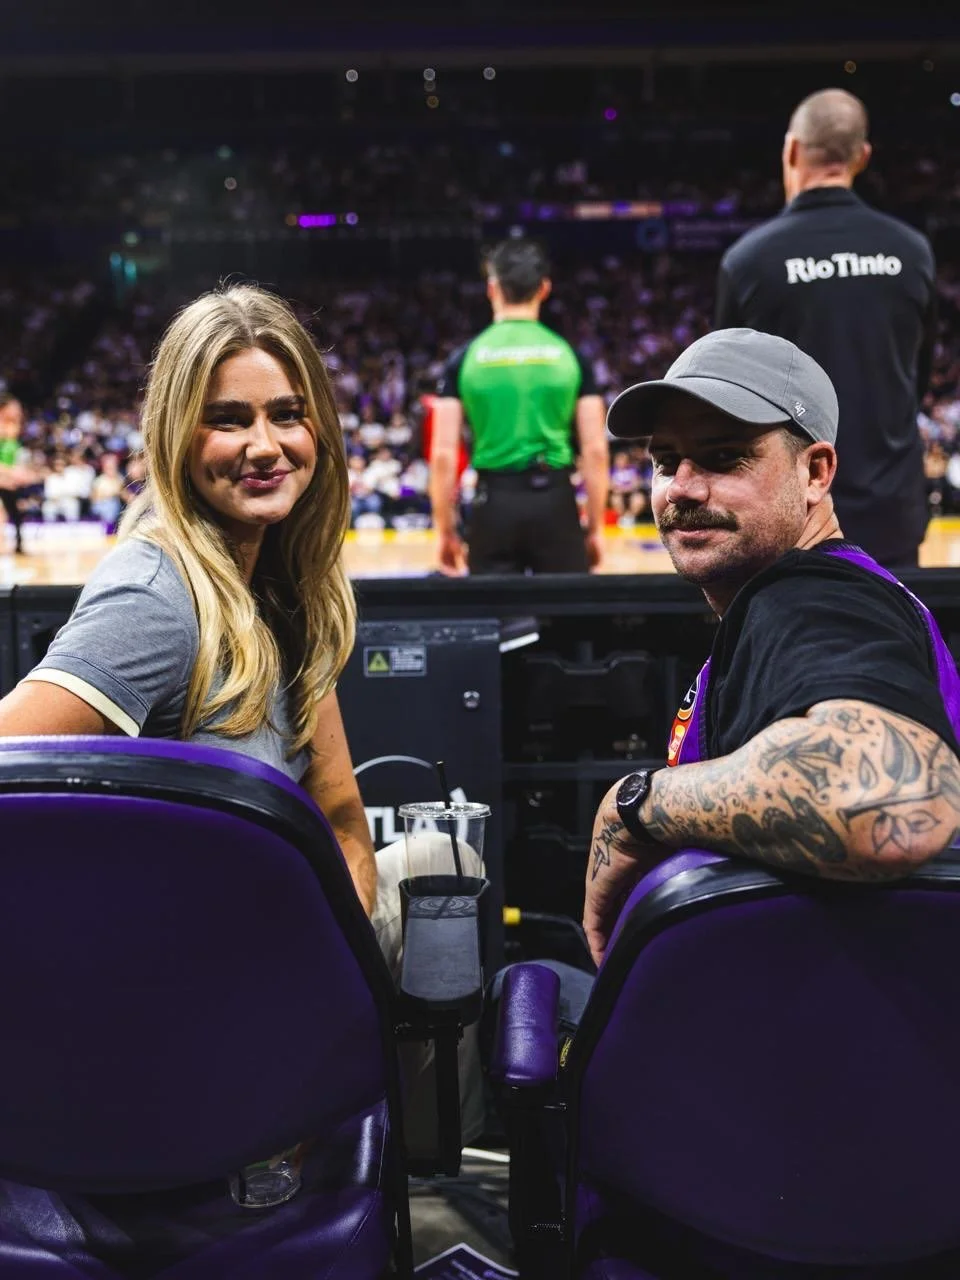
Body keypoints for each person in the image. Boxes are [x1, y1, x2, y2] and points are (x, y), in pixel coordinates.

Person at [0, 286, 482, 1160]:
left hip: (275, 967)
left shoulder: (286, 585)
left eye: (287, 414)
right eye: (228, 420)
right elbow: (12, 782)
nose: (265, 446)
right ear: (177, 439)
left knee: (440, 863)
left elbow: (340, 814)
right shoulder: (156, 595)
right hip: (184, 999)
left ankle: (358, 1156)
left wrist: (322, 969)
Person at [582, 327, 960, 970]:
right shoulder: (814, 593)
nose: (684, 488)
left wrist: (635, 807)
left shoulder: (811, 597)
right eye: (667, 461)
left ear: (815, 472)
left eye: (725, 458)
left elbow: (902, 799)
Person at [715, 89, 937, 571]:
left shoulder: (750, 261)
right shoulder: (912, 252)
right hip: (892, 509)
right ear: (862, 156)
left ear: (791, 150)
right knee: (896, 642)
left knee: (798, 644)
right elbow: (916, 381)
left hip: (793, 512)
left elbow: (724, 398)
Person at [429, 238, 609, 575]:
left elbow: (442, 455)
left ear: (492, 288)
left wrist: (446, 530)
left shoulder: (464, 359)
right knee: (567, 620)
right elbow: (595, 451)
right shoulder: (571, 357)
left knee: (494, 620)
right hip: (555, 501)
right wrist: (596, 527)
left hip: (493, 504)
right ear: (544, 289)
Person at [0, 393, 32, 553]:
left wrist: (20, 471)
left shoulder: (15, 427)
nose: (18, 410)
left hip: (9, 479)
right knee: (2, 514)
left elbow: (14, 455)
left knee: (16, 512)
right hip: (4, 476)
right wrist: (11, 473)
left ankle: (19, 545)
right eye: (14, 407)